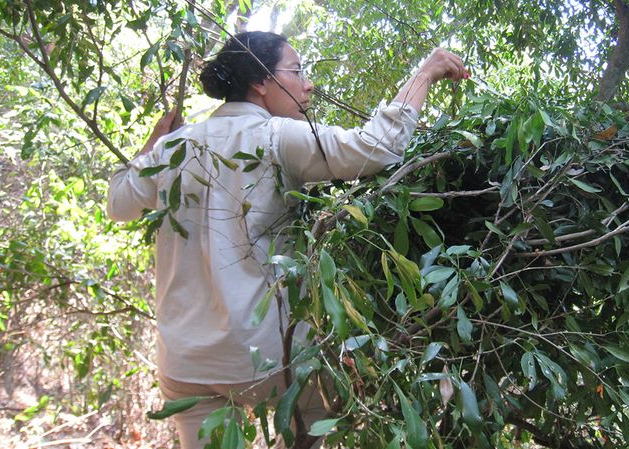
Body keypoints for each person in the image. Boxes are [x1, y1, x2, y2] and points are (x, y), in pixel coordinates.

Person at [106, 31, 468, 449]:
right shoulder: (277, 137)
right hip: (265, 358)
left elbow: (118, 202)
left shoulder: (174, 147)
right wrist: (426, 72)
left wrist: (152, 144)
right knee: (315, 425)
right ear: (261, 83)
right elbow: (376, 147)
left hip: (186, 360)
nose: (307, 83)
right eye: (296, 71)